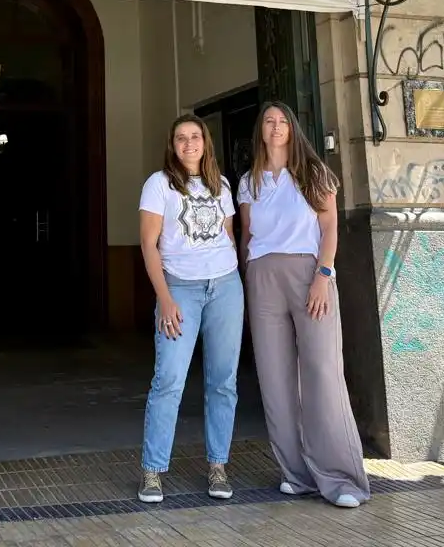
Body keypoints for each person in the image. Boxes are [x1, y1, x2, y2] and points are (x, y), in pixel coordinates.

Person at [237, 102, 369, 508]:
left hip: (309, 273)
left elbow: (329, 228)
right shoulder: (248, 182)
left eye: (282, 122)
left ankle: (343, 479)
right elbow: (246, 236)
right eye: (268, 122)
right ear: (260, 131)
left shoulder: (314, 173)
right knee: (275, 380)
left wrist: (322, 276)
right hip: (262, 277)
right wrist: (247, 280)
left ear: (292, 130)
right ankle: (297, 473)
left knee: (322, 372)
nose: (275, 128)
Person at [137, 113, 244, 504]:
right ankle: (152, 471)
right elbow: (149, 244)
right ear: (173, 144)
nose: (188, 144)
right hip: (179, 289)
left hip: (226, 287)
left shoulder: (223, 184)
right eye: (181, 138)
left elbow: (229, 236)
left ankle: (218, 465)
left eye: (195, 137)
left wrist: (231, 279)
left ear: (205, 141)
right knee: (168, 380)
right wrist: (165, 298)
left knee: (223, 381)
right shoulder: (158, 184)